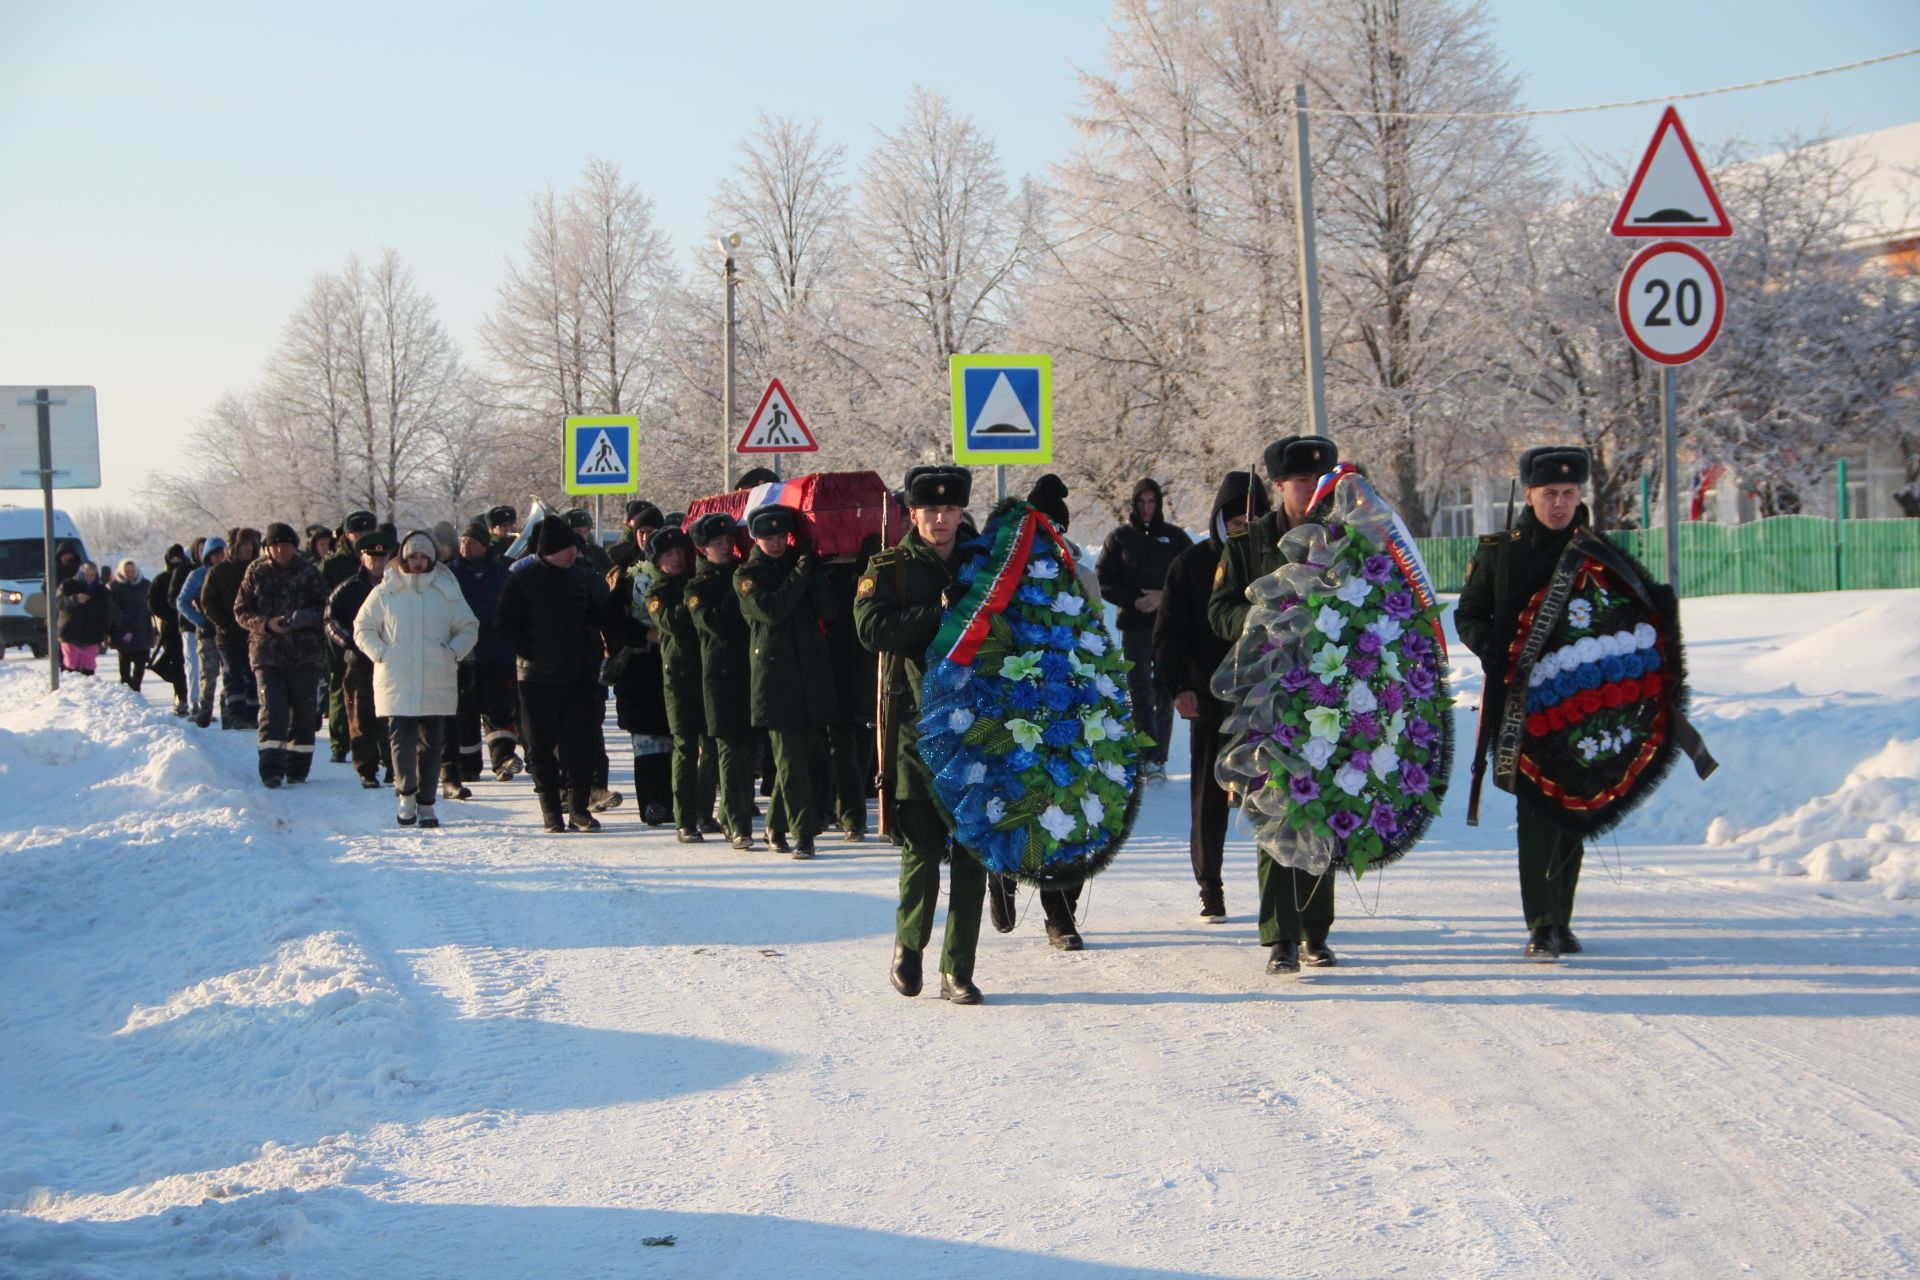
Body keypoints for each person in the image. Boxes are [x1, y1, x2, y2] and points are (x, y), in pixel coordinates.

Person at [1455, 446, 1596, 961]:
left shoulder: (1598, 551)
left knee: (1574, 812)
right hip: (1523, 705)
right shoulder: (1502, 551)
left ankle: (1563, 917)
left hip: (1585, 703)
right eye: (1549, 494)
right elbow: (1467, 614)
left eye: (1569, 493)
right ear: (1530, 494)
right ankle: (1541, 923)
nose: (1559, 504)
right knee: (1538, 813)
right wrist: (1491, 646)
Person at [1209, 434, 1341, 975]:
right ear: (1279, 485)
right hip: (1264, 700)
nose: (1310, 490)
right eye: (1301, 482)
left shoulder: (1341, 540)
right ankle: (1280, 935)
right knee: (1274, 811)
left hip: (1328, 694)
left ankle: (1316, 931)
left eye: (1319, 481)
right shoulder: (1247, 544)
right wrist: (1262, 621)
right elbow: (1217, 613)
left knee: (1324, 806)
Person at [855, 465, 987, 1004]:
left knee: (975, 850)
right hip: (916, 725)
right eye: (930, 510)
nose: (940, 519)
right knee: (923, 846)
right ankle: (910, 944)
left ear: (961, 513)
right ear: (912, 513)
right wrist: (937, 616)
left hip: (982, 726)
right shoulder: (890, 567)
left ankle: (959, 968)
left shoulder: (986, 565)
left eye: (950, 510)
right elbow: (869, 628)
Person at [1155, 468, 1271, 922]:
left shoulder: (1279, 561)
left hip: (1269, 698)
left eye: (1252, 518)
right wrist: (1178, 686)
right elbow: (1169, 635)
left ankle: (1278, 890)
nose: (1244, 527)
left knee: (1274, 796)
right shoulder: (1191, 564)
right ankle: (1211, 886)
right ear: (1220, 520)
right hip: (1208, 696)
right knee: (1208, 797)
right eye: (1235, 519)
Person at [354, 530, 479, 827]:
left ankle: (427, 803)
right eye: (413, 556)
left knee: (433, 744)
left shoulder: (447, 589)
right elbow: (363, 627)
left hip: (437, 676)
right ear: (404, 558)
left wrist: (453, 652)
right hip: (397, 678)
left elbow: (468, 625)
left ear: (432, 558)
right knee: (402, 743)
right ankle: (406, 796)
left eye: (424, 556)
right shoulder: (386, 591)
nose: (419, 562)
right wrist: (382, 653)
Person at [736, 504, 839, 860]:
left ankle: (775, 824)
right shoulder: (747, 575)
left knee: (800, 757)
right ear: (756, 538)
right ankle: (804, 834)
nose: (777, 543)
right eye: (769, 537)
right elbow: (772, 610)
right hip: (775, 682)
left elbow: (829, 610)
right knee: (790, 760)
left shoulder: (802, 564)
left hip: (809, 676)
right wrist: (799, 576)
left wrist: (816, 571)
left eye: (781, 536)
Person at [496, 515, 610, 833]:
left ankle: (578, 809)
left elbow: (601, 615)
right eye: (565, 549)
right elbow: (504, 625)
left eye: (574, 547)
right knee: (540, 746)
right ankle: (550, 811)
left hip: (579, 676)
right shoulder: (522, 580)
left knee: (580, 744)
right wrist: (535, 654)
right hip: (536, 679)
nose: (572, 553)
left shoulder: (583, 576)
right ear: (548, 551)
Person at [1099, 478, 1191, 782]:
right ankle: (1147, 756)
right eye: (1142, 502)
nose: (1147, 508)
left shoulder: (1176, 538)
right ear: (1134, 505)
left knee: (1165, 691)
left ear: (1159, 504)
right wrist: (1135, 600)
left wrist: (1162, 597)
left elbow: (1191, 576)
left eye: (1152, 502)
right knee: (1140, 689)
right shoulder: (1120, 539)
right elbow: (1104, 580)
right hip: (1135, 627)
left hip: (1170, 626)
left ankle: (1159, 757)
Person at [234, 523, 330, 787]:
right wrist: (265, 623)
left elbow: (326, 608)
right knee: (272, 711)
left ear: (294, 547)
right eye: (275, 546)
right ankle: (271, 769)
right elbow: (241, 610)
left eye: (285, 546)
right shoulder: (256, 572)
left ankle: (298, 769)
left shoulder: (309, 572)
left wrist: (301, 619)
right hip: (267, 654)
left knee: (303, 712)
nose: (279, 551)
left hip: (304, 655)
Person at [687, 512, 757, 849]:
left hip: (750, 672)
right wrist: (737, 588)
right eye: (719, 543)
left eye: (730, 541)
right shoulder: (696, 587)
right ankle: (738, 823)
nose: (728, 547)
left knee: (747, 753)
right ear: (703, 549)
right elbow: (714, 622)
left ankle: (732, 815)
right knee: (728, 751)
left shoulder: (744, 574)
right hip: (720, 677)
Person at [645, 525, 711, 843]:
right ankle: (684, 818)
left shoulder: (698, 582)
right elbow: (671, 621)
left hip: (708, 673)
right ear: (658, 561)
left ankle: (704, 811)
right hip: (680, 677)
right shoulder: (657, 593)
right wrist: (693, 599)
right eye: (668, 555)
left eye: (679, 552)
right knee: (684, 747)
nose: (676, 558)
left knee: (711, 746)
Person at [450, 522, 522, 782]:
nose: (465, 545)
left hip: (498, 654)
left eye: (471, 541)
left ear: (483, 544)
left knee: (500, 710)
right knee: (464, 711)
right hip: (461, 657)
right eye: (463, 541)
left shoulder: (502, 575)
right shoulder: (448, 575)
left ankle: (504, 760)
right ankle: (467, 765)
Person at [326, 530, 396, 788]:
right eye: (372, 557)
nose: (377, 562)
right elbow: (330, 619)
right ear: (362, 557)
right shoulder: (348, 589)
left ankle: (393, 764)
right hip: (359, 662)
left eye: (382, 557)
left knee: (392, 716)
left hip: (392, 662)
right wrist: (350, 643)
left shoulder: (398, 587)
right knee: (360, 717)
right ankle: (366, 769)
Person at [321, 510, 381, 762]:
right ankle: (339, 742)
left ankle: (376, 745)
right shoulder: (333, 564)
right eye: (359, 532)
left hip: (375, 634)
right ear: (347, 535)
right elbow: (324, 603)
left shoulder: (381, 560)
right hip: (343, 634)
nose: (364, 536)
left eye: (368, 532)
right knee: (340, 688)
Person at [200, 527, 262, 729]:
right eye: (243, 545)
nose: (247, 549)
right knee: (232, 673)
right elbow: (208, 603)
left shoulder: (258, 570)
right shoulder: (218, 572)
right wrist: (225, 624)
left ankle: (253, 714)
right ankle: (235, 714)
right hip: (227, 634)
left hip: (253, 632)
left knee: (253, 674)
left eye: (250, 545)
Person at [175, 536, 226, 726]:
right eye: (215, 555)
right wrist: (199, 620)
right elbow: (182, 601)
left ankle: (228, 710)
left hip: (229, 631)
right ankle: (204, 710)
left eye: (222, 553)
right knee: (208, 673)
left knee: (230, 673)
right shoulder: (197, 576)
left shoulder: (231, 573)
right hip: (207, 631)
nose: (219, 558)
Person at [149, 544, 193, 713]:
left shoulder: (187, 576)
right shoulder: (161, 579)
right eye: (172, 559)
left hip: (188, 624)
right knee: (176, 664)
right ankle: (180, 696)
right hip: (169, 629)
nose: (176, 562)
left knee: (189, 663)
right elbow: (152, 602)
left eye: (178, 559)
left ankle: (188, 696)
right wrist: (168, 615)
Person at [106, 559, 156, 690]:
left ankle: (136, 687)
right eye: (127, 572)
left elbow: (152, 605)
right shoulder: (114, 586)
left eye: (132, 571)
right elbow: (111, 608)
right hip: (123, 630)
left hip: (143, 629)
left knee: (141, 662)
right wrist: (121, 621)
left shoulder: (146, 585)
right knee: (124, 661)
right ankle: (126, 688)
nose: (130, 574)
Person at [56, 561, 110, 674]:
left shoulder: (101, 591)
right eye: (86, 574)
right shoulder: (67, 585)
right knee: (70, 669)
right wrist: (74, 599)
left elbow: (106, 614)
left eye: (92, 575)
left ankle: (87, 691)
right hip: (70, 634)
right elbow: (58, 603)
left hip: (92, 636)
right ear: (80, 574)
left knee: (89, 671)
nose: (89, 578)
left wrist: (105, 632)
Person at [607, 500, 664, 570]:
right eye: (641, 532)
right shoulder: (617, 552)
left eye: (650, 532)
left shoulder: (666, 556)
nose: (645, 538)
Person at [565, 508, 613, 575]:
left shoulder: (597, 553)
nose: (582, 535)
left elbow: (609, 574)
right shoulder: (562, 554)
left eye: (585, 532)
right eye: (578, 531)